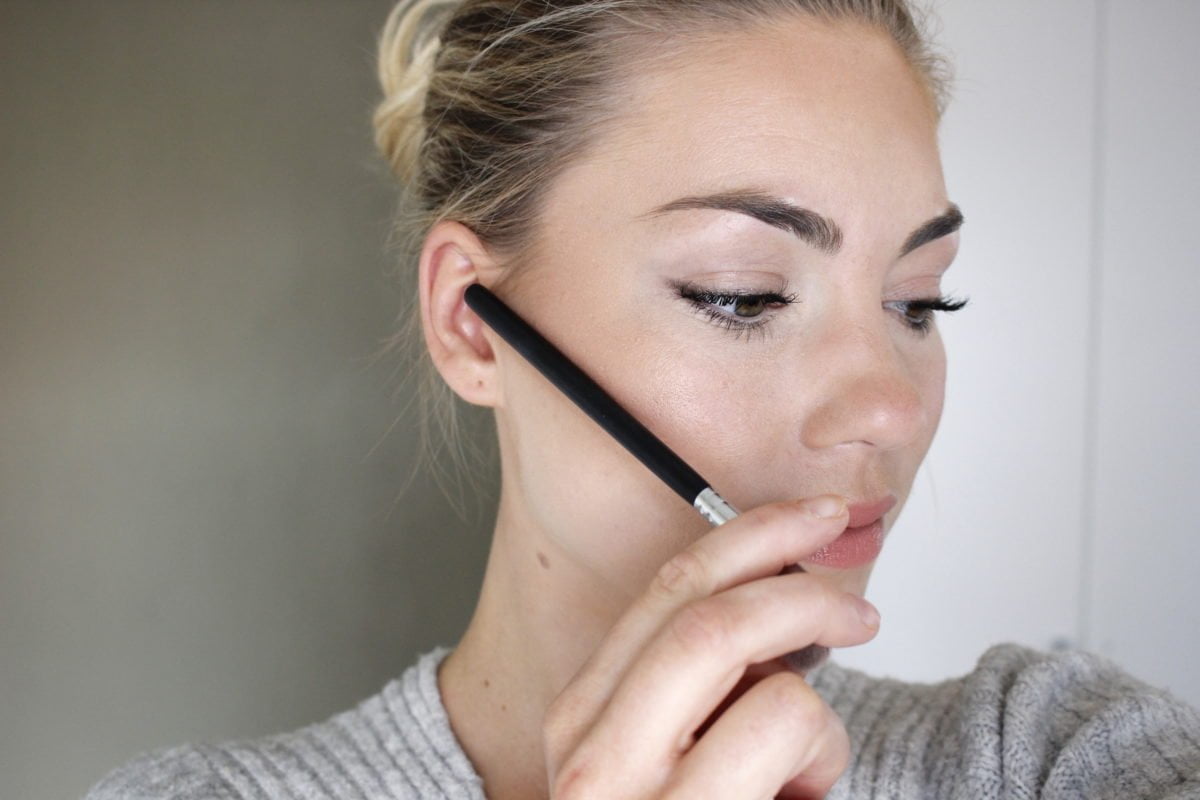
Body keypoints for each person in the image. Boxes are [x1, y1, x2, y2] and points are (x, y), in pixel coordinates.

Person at [85, 0, 1200, 798]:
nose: (890, 409)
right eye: (742, 295)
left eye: (919, 302)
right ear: (471, 321)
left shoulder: (1038, 753)